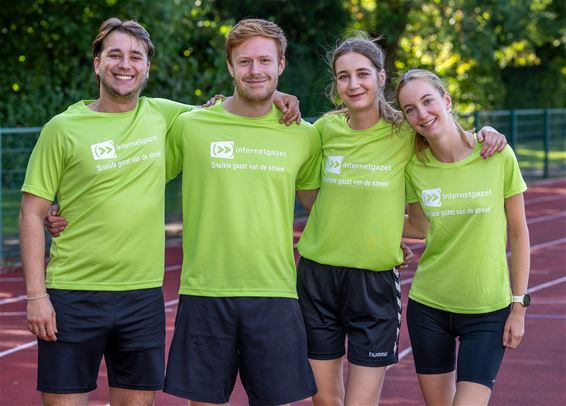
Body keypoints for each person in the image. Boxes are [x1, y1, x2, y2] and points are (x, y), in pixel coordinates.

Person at [20, 17, 300, 406]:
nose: (125, 64)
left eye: (136, 56)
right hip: (73, 292)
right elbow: (31, 213)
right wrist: (36, 297)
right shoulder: (62, 128)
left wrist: (281, 95)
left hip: (142, 296)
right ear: (97, 63)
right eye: (114, 54)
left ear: (148, 68)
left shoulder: (168, 116)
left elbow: (235, 103)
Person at [295, 35, 507, 406]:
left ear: (380, 77)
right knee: (325, 399)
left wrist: (487, 134)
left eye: (362, 74)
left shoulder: (406, 134)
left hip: (373, 285)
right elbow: (313, 199)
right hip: (318, 278)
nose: (353, 84)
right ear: (335, 84)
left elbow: (447, 145)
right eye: (343, 76)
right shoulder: (322, 132)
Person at [162, 19, 320, 405]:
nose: (255, 70)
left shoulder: (305, 135)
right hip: (205, 291)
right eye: (244, 62)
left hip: (275, 293)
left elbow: (322, 209)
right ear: (230, 67)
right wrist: (66, 208)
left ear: (280, 65)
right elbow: (137, 177)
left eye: (265, 61)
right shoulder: (191, 125)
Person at [396, 69, 530, 406]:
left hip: (488, 310)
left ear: (446, 100)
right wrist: (381, 240)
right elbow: (418, 226)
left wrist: (519, 306)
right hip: (429, 307)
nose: (422, 114)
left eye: (428, 101)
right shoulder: (413, 166)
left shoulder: (496, 154)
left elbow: (519, 232)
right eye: (410, 109)